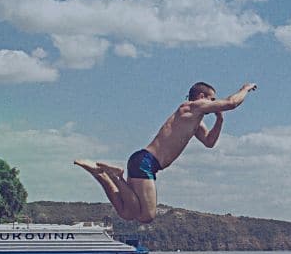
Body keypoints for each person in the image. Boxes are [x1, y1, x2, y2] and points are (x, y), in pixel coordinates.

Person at [75, 81, 256, 223]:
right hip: (146, 162)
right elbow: (232, 103)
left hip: (143, 162)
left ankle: (103, 175)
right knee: (147, 216)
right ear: (201, 96)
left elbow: (209, 142)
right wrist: (245, 89)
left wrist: (220, 120)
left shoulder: (194, 121)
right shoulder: (190, 107)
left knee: (128, 212)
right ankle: (117, 176)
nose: (214, 104)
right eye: (212, 99)